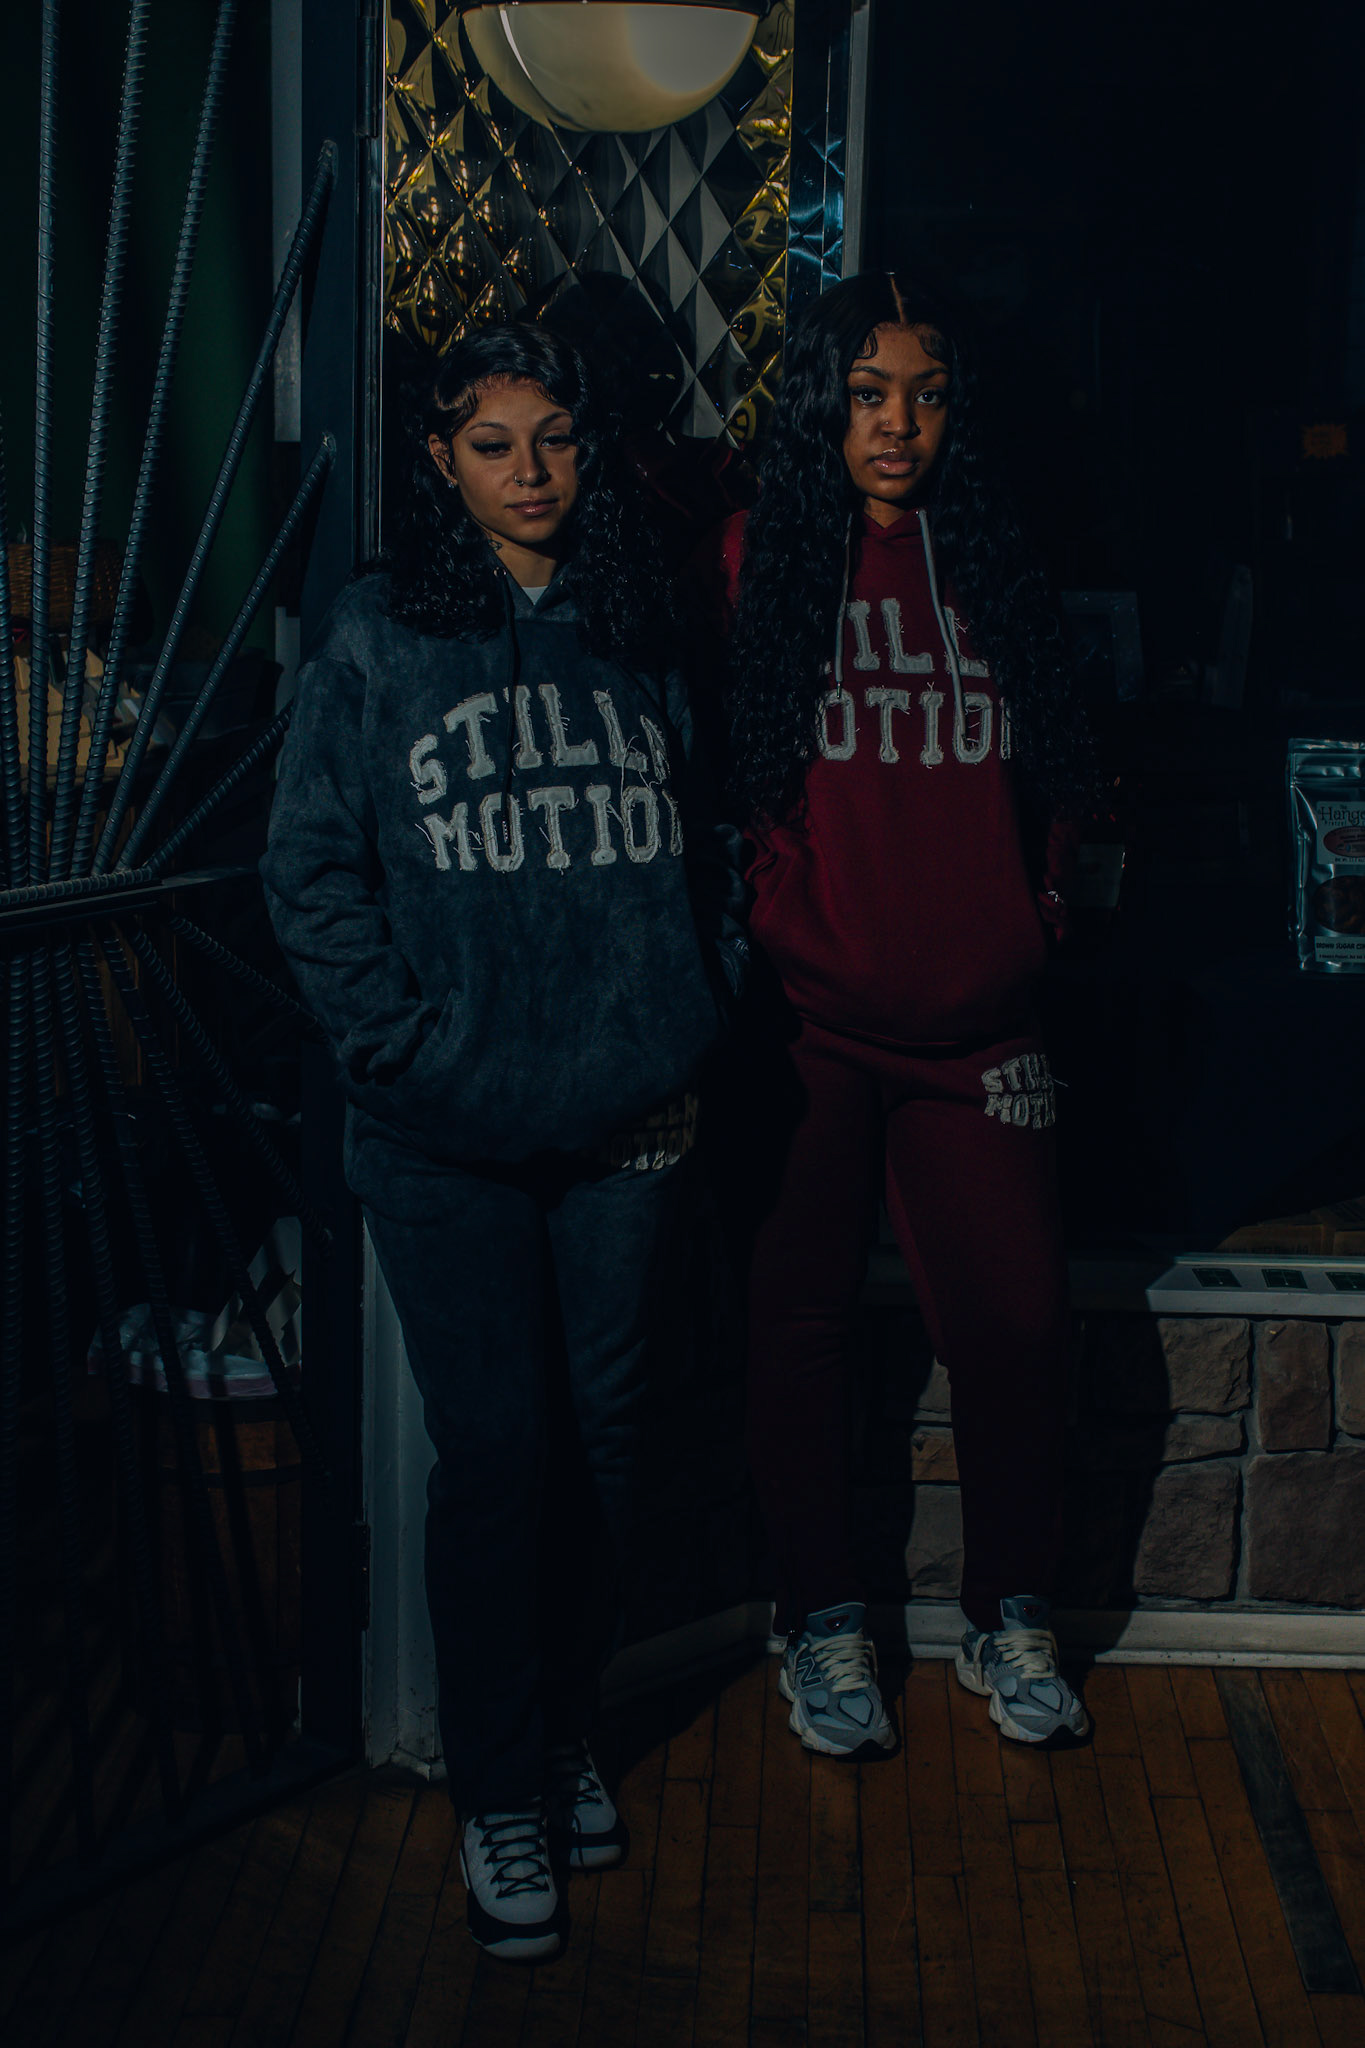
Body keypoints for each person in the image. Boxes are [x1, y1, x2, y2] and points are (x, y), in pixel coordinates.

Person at [262, 323, 745, 1961]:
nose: (529, 473)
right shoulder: (378, 633)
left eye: (553, 439)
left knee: (603, 1451)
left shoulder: (634, 617)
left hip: (627, 1122)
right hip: (444, 1143)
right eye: (491, 444)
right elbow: (308, 871)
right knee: (499, 1460)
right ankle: (499, 1792)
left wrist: (689, 1008)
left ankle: (560, 1732)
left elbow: (705, 842)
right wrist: (401, 1050)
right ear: (440, 461)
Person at [690, 272, 1095, 1758]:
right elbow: (723, 781)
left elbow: (1065, 769)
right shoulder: (755, 557)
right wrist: (786, 914)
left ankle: (1010, 1613)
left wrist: (1038, 912)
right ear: (824, 406)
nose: (897, 424)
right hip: (812, 1020)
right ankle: (822, 1621)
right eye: (868, 394)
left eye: (925, 395)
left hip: (982, 1025)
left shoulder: (990, 557)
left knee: (1018, 1326)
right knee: (794, 1325)